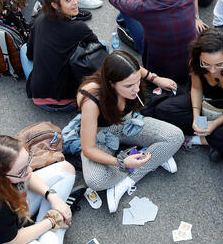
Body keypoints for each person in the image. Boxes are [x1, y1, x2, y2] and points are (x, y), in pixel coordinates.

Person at [67, 49, 182, 211]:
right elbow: (88, 148)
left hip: (128, 123)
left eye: (137, 82)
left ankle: (126, 181)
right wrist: (120, 162)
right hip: (102, 134)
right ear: (110, 83)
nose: (136, 89)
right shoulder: (91, 98)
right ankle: (153, 155)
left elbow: (137, 71)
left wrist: (155, 78)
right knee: (95, 181)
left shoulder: (130, 76)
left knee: (176, 136)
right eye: (128, 86)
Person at [146, 28, 223, 160]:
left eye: (219, 64)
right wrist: (196, 116)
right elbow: (196, 89)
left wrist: (215, 123)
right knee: (164, 110)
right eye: (206, 64)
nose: (213, 70)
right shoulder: (195, 62)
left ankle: (197, 139)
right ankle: (214, 140)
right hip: (206, 102)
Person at [109, 0, 197, 83]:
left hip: (159, 74)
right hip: (188, 68)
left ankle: (127, 32)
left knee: (127, 8)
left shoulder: (145, 7)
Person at [25, 0, 101, 109]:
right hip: (66, 100)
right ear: (54, 5)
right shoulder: (79, 27)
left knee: (23, 48)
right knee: (102, 45)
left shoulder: (39, 20)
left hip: (37, 96)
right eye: (68, 0)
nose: (75, 2)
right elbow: (97, 48)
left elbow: (29, 55)